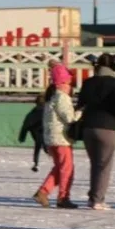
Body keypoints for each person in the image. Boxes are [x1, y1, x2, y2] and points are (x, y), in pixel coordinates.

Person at [75, 52, 115, 210]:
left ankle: (93, 197)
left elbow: (80, 103)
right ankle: (97, 200)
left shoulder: (88, 82)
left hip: (88, 127)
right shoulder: (114, 83)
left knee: (95, 163)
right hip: (107, 127)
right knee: (104, 165)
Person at [33, 64, 80, 209]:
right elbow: (69, 118)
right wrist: (81, 112)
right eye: (69, 81)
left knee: (59, 168)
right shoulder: (62, 96)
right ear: (65, 81)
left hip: (51, 139)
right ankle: (63, 197)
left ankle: (43, 192)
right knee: (66, 169)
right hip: (61, 139)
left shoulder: (51, 96)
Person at [19, 94, 46, 172]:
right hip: (45, 134)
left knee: (38, 147)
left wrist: (22, 137)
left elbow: (25, 126)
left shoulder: (31, 114)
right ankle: (37, 163)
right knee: (46, 147)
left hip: (37, 135)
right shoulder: (47, 112)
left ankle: (36, 163)